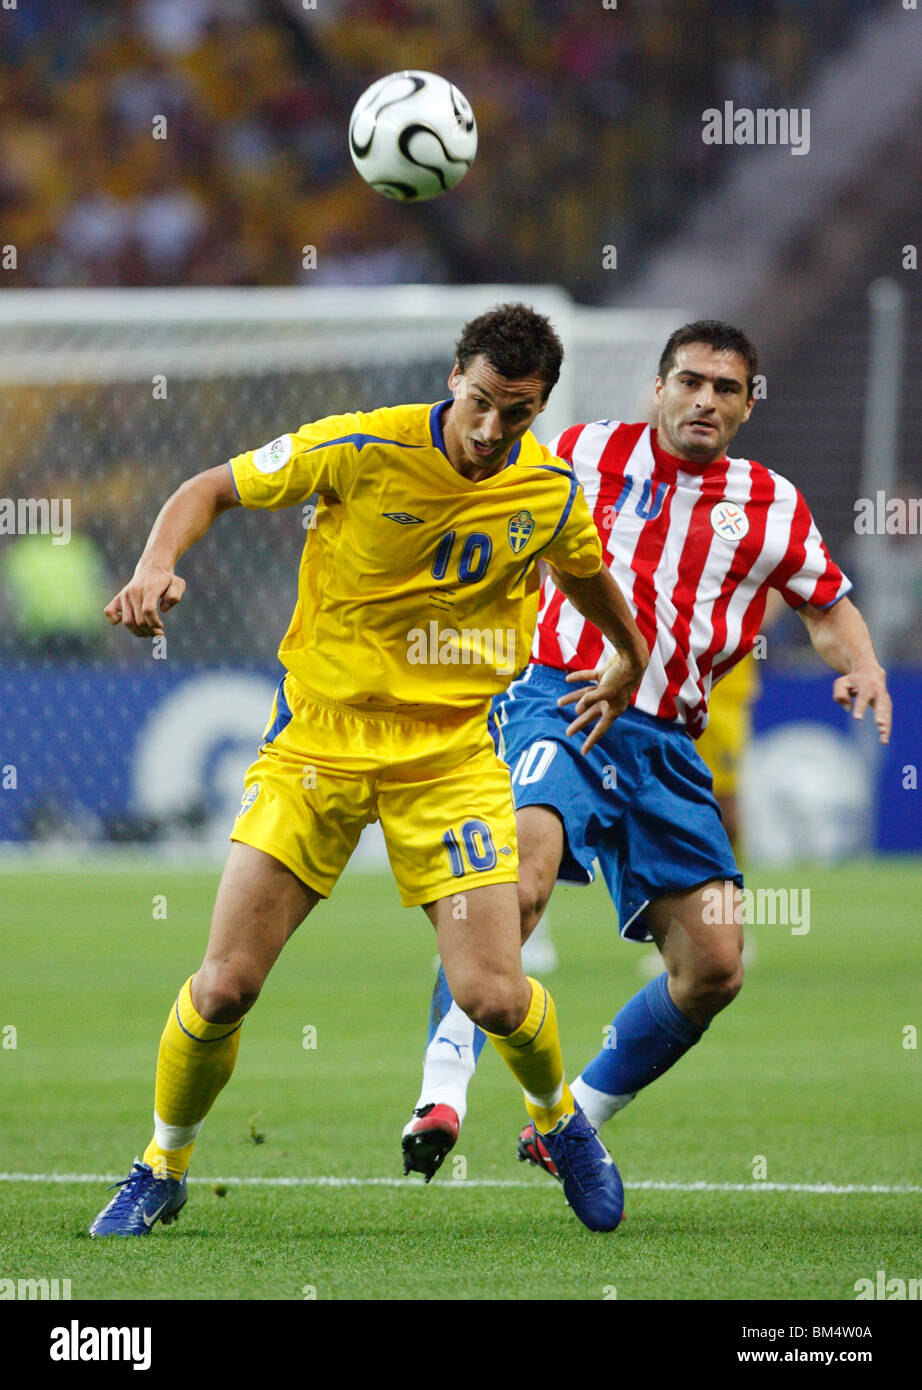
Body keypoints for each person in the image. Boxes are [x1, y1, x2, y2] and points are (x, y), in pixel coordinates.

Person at [89, 302, 649, 1238]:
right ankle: (163, 1164)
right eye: (479, 402)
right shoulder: (355, 447)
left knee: (494, 997)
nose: (490, 430)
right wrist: (155, 564)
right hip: (317, 743)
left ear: (540, 406)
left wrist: (628, 650)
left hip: (450, 755)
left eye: (516, 413)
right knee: (226, 983)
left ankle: (560, 1126)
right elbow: (208, 488)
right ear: (452, 379)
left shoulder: (546, 491)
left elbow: (581, 565)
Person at [402, 319, 892, 1191]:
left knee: (714, 968)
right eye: (690, 381)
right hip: (564, 699)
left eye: (726, 388)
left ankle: (574, 1120)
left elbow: (826, 605)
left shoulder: (772, 504)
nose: (705, 399)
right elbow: (477, 491)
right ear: (658, 387)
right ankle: (442, 1092)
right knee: (519, 886)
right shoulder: (583, 452)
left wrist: (863, 667)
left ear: (747, 405)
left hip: (666, 741)